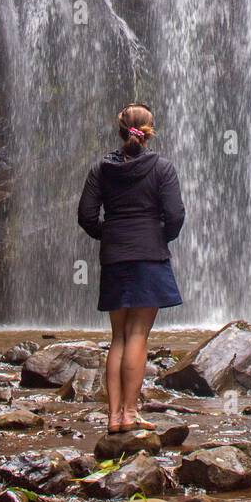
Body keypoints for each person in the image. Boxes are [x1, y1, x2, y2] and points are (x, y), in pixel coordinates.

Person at [77, 103, 185, 433]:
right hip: (149, 256)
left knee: (118, 337)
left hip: (114, 256)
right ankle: (130, 413)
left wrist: (108, 234)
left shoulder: (101, 169)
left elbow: (86, 215)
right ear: (149, 131)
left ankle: (113, 417)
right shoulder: (162, 168)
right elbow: (176, 215)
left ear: (120, 129)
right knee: (139, 334)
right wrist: (158, 238)